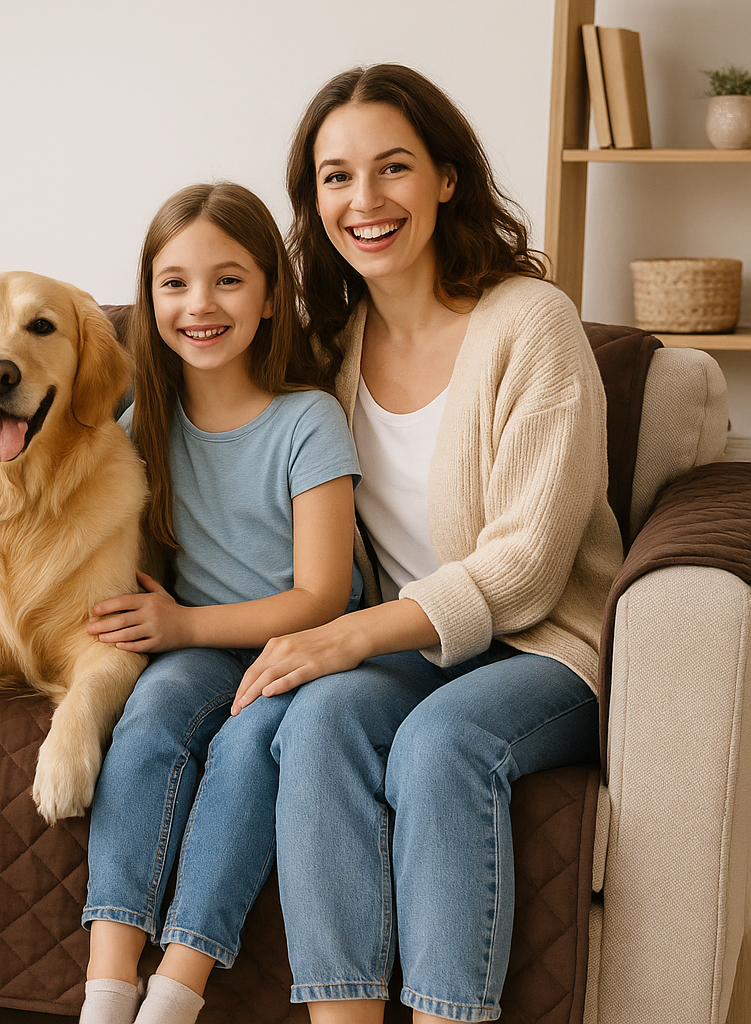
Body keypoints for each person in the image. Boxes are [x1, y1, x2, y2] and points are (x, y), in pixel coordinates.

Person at [236, 64, 624, 1023]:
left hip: (544, 648)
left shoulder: (533, 323)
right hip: (412, 647)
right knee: (317, 722)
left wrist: (350, 637)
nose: (363, 201)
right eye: (335, 177)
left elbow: (527, 567)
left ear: (446, 178)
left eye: (392, 169)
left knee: (442, 744)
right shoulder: (328, 350)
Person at [77, 181, 360, 1024]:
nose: (199, 304)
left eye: (228, 280)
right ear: (148, 297)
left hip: (304, 647)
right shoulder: (139, 421)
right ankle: (106, 986)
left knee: (249, 748)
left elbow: (321, 595)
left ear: (272, 296)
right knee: (149, 720)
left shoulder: (308, 421)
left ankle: (178, 988)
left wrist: (184, 625)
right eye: (174, 283)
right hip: (190, 649)